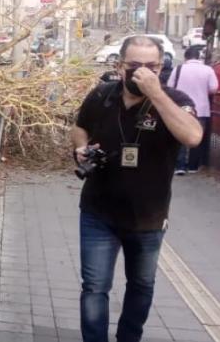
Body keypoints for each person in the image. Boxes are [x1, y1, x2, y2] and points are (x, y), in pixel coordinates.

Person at [71, 35, 202, 342]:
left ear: (162, 67)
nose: (143, 71)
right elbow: (80, 127)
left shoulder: (175, 100)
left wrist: (156, 94)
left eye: (152, 66)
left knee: (141, 286)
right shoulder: (102, 95)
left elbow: (193, 137)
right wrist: (81, 148)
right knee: (94, 287)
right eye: (134, 65)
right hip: (98, 212)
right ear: (119, 66)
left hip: (148, 218)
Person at [167, 46, 218, 174]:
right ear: (199, 57)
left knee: (181, 136)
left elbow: (169, 86)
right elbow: (213, 88)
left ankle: (180, 166)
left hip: (181, 108)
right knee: (197, 136)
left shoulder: (178, 69)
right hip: (201, 109)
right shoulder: (208, 70)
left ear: (185, 57)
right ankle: (193, 166)